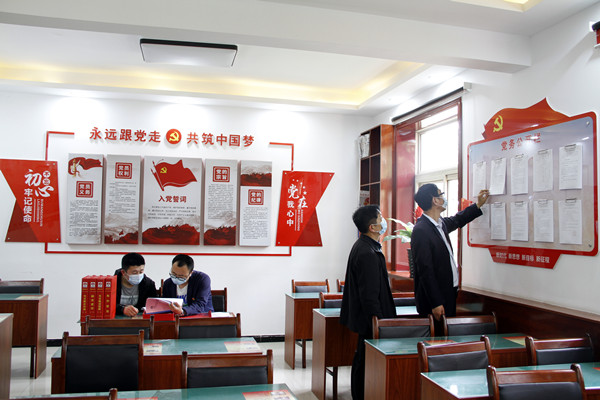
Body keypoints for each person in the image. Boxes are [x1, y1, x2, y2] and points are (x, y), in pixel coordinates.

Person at [340, 205, 396, 400]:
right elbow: (370, 295)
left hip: (367, 319)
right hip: (370, 320)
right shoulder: (367, 253)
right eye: (380, 218)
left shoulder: (366, 246)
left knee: (363, 358)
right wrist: (378, 322)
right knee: (364, 361)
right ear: (372, 227)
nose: (384, 221)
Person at [412, 184, 489, 323]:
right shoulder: (421, 230)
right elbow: (425, 270)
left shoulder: (440, 224)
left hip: (448, 292)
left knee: (447, 332)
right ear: (435, 200)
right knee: (438, 335)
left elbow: (457, 219)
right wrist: (435, 302)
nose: (444, 198)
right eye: (441, 194)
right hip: (435, 300)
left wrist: (478, 205)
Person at [115, 252, 157, 316]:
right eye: (134, 273)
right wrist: (122, 309)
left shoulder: (149, 284)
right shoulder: (113, 283)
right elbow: (106, 305)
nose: (138, 275)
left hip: (140, 319)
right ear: (123, 272)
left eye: (141, 271)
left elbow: (154, 306)